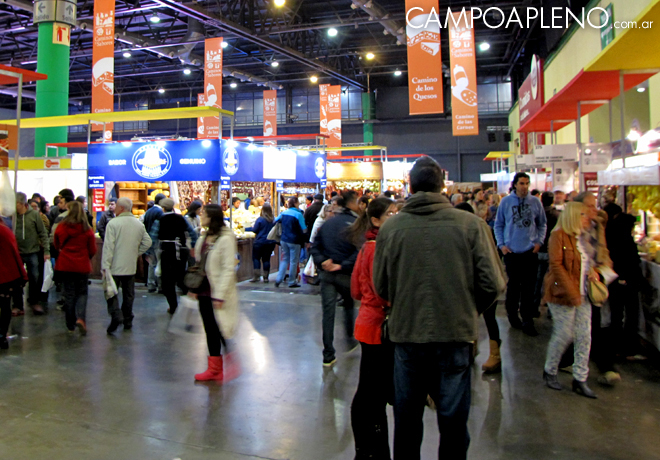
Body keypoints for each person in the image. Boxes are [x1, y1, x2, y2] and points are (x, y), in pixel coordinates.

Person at [373, 156, 506, 460]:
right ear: (442, 185)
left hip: (407, 335)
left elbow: (380, 286)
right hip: (455, 335)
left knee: (406, 423)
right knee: (454, 422)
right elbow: (493, 284)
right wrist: (468, 310)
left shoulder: (391, 229)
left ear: (410, 186)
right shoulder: (472, 225)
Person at [348, 197, 397, 460]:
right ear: (376, 220)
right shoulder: (379, 249)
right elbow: (383, 293)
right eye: (390, 213)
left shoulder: (366, 248)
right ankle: (373, 451)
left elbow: (356, 289)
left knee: (368, 391)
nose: (395, 216)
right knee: (374, 396)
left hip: (367, 325)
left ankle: (366, 450)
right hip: (379, 327)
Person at [543, 202, 599, 399]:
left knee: (584, 335)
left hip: (583, 294)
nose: (587, 218)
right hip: (561, 295)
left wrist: (593, 273)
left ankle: (580, 378)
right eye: (583, 214)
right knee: (564, 334)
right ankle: (550, 370)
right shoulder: (558, 236)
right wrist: (572, 293)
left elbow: (586, 263)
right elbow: (556, 266)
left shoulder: (582, 238)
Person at [190, 204, 240, 382]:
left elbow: (228, 269)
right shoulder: (205, 236)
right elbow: (201, 262)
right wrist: (195, 287)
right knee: (211, 329)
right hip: (204, 289)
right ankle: (215, 368)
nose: (201, 216)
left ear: (212, 217)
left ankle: (229, 360)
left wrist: (219, 294)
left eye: (204, 214)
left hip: (217, 291)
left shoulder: (226, 239)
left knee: (219, 328)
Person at [311, 190, 361, 366]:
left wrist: (323, 261)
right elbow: (358, 252)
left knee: (328, 313)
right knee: (348, 305)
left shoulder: (327, 224)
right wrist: (342, 265)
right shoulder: (355, 225)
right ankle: (350, 338)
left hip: (327, 276)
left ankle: (328, 354)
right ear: (352, 204)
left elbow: (314, 246)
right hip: (346, 276)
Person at [494, 172, 547, 336]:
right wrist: (502, 245)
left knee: (529, 288)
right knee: (514, 286)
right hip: (512, 252)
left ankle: (527, 320)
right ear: (515, 184)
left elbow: (542, 224)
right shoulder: (506, 202)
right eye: (522, 183)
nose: (524, 187)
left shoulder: (535, 202)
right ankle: (512, 315)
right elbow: (499, 225)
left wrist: (539, 242)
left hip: (529, 251)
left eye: (527, 183)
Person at [574, 192, 615, 384]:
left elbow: (603, 250)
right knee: (583, 328)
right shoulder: (572, 228)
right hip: (580, 284)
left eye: (594, 205)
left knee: (597, 325)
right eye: (589, 206)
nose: (594, 209)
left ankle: (605, 366)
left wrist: (604, 265)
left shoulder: (597, 226)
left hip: (596, 282)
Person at [102, 197, 152, 333]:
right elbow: (148, 242)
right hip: (130, 266)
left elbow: (108, 247)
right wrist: (136, 252)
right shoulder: (138, 224)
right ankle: (127, 319)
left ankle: (116, 315)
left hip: (113, 266)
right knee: (129, 294)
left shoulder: (113, 224)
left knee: (110, 292)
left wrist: (105, 266)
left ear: (121, 208)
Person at [604, 201, 644, 367]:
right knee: (630, 314)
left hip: (614, 281)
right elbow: (631, 261)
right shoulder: (625, 239)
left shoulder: (608, 235)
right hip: (626, 282)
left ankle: (615, 349)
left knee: (616, 315)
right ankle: (629, 349)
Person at [54, 201, 97, 334]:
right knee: (82, 293)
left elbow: (56, 244)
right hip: (81, 265)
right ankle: (81, 319)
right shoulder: (87, 229)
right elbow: (93, 249)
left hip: (65, 264)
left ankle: (70, 323)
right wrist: (85, 257)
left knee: (69, 293)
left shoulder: (61, 227)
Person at [150, 198, 198, 315]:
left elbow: (152, 237)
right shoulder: (181, 218)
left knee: (167, 281)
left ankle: (173, 306)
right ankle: (191, 301)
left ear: (163, 208)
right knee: (181, 278)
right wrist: (193, 246)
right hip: (181, 251)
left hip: (167, 251)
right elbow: (192, 233)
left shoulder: (160, 220)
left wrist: (149, 252)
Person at [14, 192, 51, 316]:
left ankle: (34, 301)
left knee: (34, 277)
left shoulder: (34, 215)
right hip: (17, 252)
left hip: (32, 251)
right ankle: (18, 305)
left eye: (16, 203)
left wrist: (46, 251)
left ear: (22, 203)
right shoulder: (14, 216)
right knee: (17, 279)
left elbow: (43, 233)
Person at [0, 219, 27, 350]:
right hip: (6, 276)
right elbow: (14, 254)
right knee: (5, 305)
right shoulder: (5, 231)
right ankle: (2, 335)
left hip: (4, 275)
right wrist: (22, 275)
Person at [534, 192, 560, 317]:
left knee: (537, 281)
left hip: (539, 250)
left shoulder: (537, 214)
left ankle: (534, 307)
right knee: (552, 282)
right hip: (552, 251)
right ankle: (551, 310)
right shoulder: (557, 215)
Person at [274, 197, 307, 288]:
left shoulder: (284, 212)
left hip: (284, 239)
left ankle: (278, 279)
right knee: (293, 261)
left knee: (285, 259)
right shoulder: (298, 214)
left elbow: (276, 220)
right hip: (295, 240)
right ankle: (292, 281)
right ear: (296, 203)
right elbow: (304, 229)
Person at [246, 203, 277, 283]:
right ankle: (266, 277)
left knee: (256, 258)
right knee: (266, 259)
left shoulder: (260, 219)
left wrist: (248, 228)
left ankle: (256, 276)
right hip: (270, 242)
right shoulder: (273, 219)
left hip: (260, 242)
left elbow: (255, 230)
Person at [143, 193, 166, 293]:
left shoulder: (148, 211)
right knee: (159, 264)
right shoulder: (160, 212)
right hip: (157, 240)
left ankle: (150, 284)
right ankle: (160, 285)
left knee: (151, 264)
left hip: (148, 240)